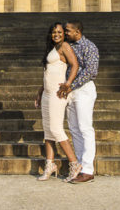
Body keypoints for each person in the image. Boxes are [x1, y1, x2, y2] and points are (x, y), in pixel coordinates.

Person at [35, 22, 82, 182]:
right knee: (48, 131)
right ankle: (50, 165)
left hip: (57, 94)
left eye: (60, 32)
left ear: (64, 34)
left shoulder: (65, 47)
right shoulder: (52, 49)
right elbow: (49, 72)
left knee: (56, 129)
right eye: (54, 32)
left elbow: (75, 64)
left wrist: (68, 84)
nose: (57, 34)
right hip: (47, 93)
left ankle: (74, 164)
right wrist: (40, 91)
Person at [59, 20, 98, 184]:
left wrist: (71, 85)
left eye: (68, 30)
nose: (65, 33)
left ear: (77, 31)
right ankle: (80, 165)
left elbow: (90, 71)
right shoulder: (68, 46)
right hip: (71, 91)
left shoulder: (89, 46)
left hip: (83, 90)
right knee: (74, 129)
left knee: (85, 128)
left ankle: (88, 169)